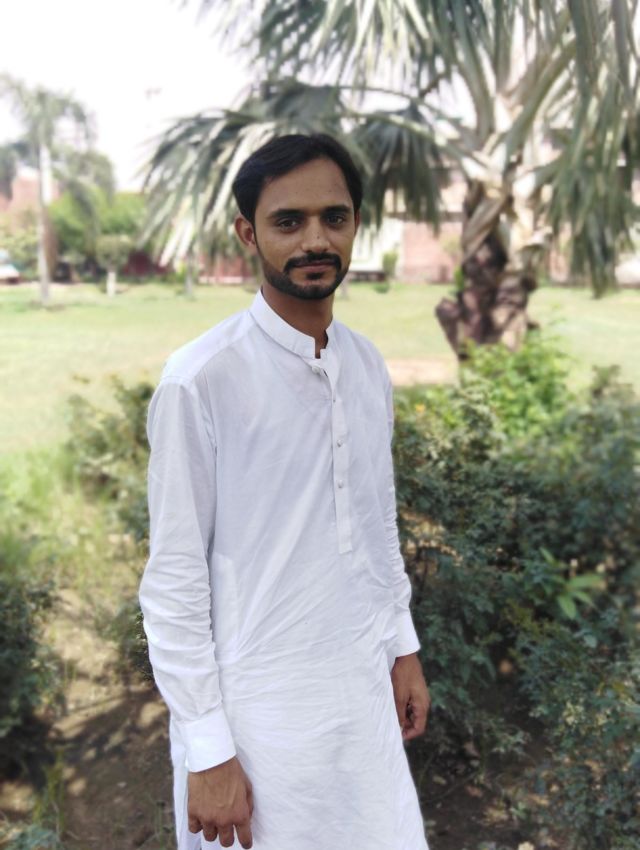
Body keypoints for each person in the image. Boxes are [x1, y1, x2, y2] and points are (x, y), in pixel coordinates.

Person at [139, 133, 431, 850]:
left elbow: (375, 522)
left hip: (359, 697)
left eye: (334, 217)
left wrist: (402, 646)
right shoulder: (200, 380)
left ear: (356, 224)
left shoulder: (365, 365)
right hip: (257, 719)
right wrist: (208, 747)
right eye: (288, 221)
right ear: (248, 234)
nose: (316, 240)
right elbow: (174, 579)